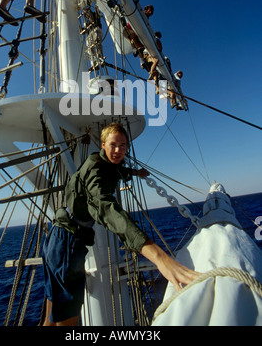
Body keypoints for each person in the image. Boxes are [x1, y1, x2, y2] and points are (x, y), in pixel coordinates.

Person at [42, 122, 199, 326]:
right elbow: (107, 209)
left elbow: (118, 171)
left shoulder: (102, 163)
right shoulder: (95, 171)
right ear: (103, 145)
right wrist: (159, 257)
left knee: (51, 317)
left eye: (123, 146)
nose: (118, 151)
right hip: (67, 247)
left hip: (58, 238)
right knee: (67, 322)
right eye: (113, 144)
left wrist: (135, 173)